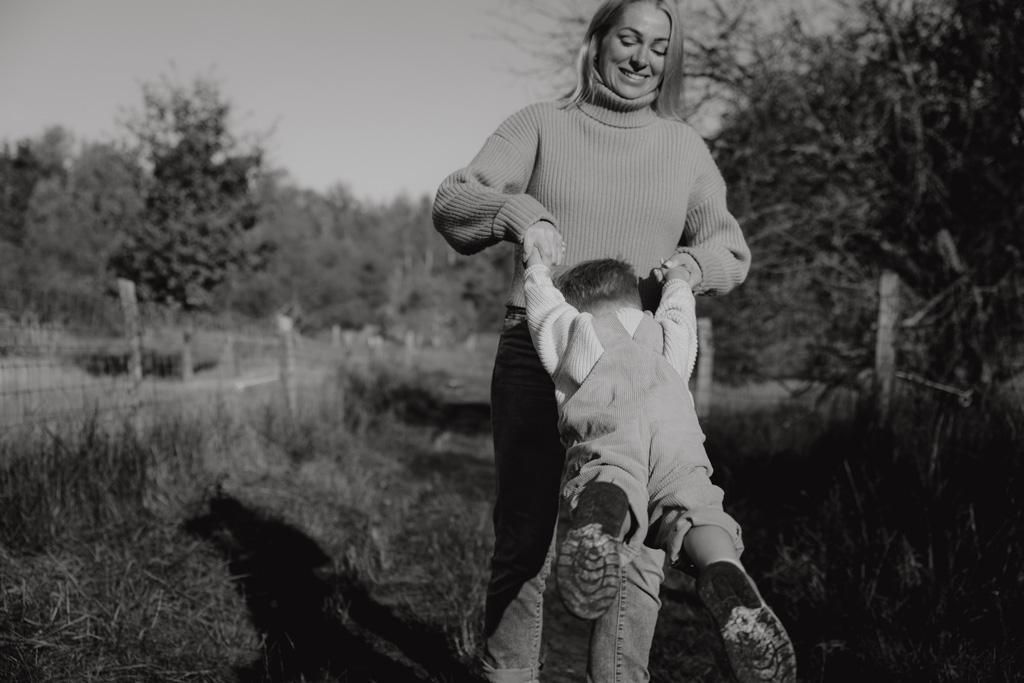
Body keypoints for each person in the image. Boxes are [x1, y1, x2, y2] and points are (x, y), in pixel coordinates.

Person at [433, 1, 756, 680]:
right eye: (629, 39)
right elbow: (456, 200)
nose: (642, 58)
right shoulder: (541, 125)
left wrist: (693, 266)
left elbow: (728, 246)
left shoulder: (684, 148)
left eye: (658, 47)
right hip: (540, 350)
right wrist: (520, 215)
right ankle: (510, 674)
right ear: (597, 41)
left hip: (639, 365)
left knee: (637, 549)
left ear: (671, 59)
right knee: (527, 539)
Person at [521, 251, 797, 683]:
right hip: (678, 439)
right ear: (636, 301)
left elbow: (542, 310)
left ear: (577, 306)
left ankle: (603, 516)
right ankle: (723, 567)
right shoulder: (665, 334)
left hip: (615, 431)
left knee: (609, 473)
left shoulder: (576, 330)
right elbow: (679, 311)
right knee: (693, 505)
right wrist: (677, 279)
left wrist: (536, 267)